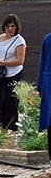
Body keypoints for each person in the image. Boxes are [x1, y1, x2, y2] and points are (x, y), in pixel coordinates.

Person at [0, 14, 27, 131]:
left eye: (13, 26)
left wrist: (2, 62)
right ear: (4, 27)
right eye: (8, 26)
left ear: (16, 27)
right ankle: (1, 128)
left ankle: (12, 129)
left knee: (10, 103)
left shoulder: (19, 40)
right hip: (1, 74)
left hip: (14, 74)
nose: (10, 29)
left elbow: (20, 60)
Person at [36, 32, 51, 163]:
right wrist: (40, 86)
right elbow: (43, 63)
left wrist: (40, 86)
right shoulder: (47, 39)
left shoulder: (47, 39)